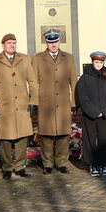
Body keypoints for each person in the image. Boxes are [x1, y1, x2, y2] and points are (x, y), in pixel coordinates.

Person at [0, 34, 38, 179]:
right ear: (3, 45)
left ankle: (20, 166)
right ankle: (7, 167)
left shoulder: (24, 59)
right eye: (9, 43)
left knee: (23, 138)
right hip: (4, 106)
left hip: (22, 105)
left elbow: (33, 81)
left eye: (14, 43)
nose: (12, 45)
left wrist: (33, 101)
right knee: (5, 139)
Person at [32, 31, 77, 175]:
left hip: (63, 102)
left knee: (63, 135)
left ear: (59, 42)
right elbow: (33, 82)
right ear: (46, 43)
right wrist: (34, 102)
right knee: (46, 135)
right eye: (50, 42)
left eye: (55, 42)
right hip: (45, 104)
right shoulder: (38, 58)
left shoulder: (68, 58)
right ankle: (48, 164)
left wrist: (74, 102)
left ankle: (62, 163)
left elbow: (74, 82)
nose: (53, 45)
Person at [75, 52, 106, 176]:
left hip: (105, 114)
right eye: (96, 62)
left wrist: (105, 111)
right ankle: (92, 164)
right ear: (92, 62)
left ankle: (104, 163)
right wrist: (94, 112)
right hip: (90, 115)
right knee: (90, 140)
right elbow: (82, 97)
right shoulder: (85, 78)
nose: (98, 65)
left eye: (100, 62)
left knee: (104, 140)